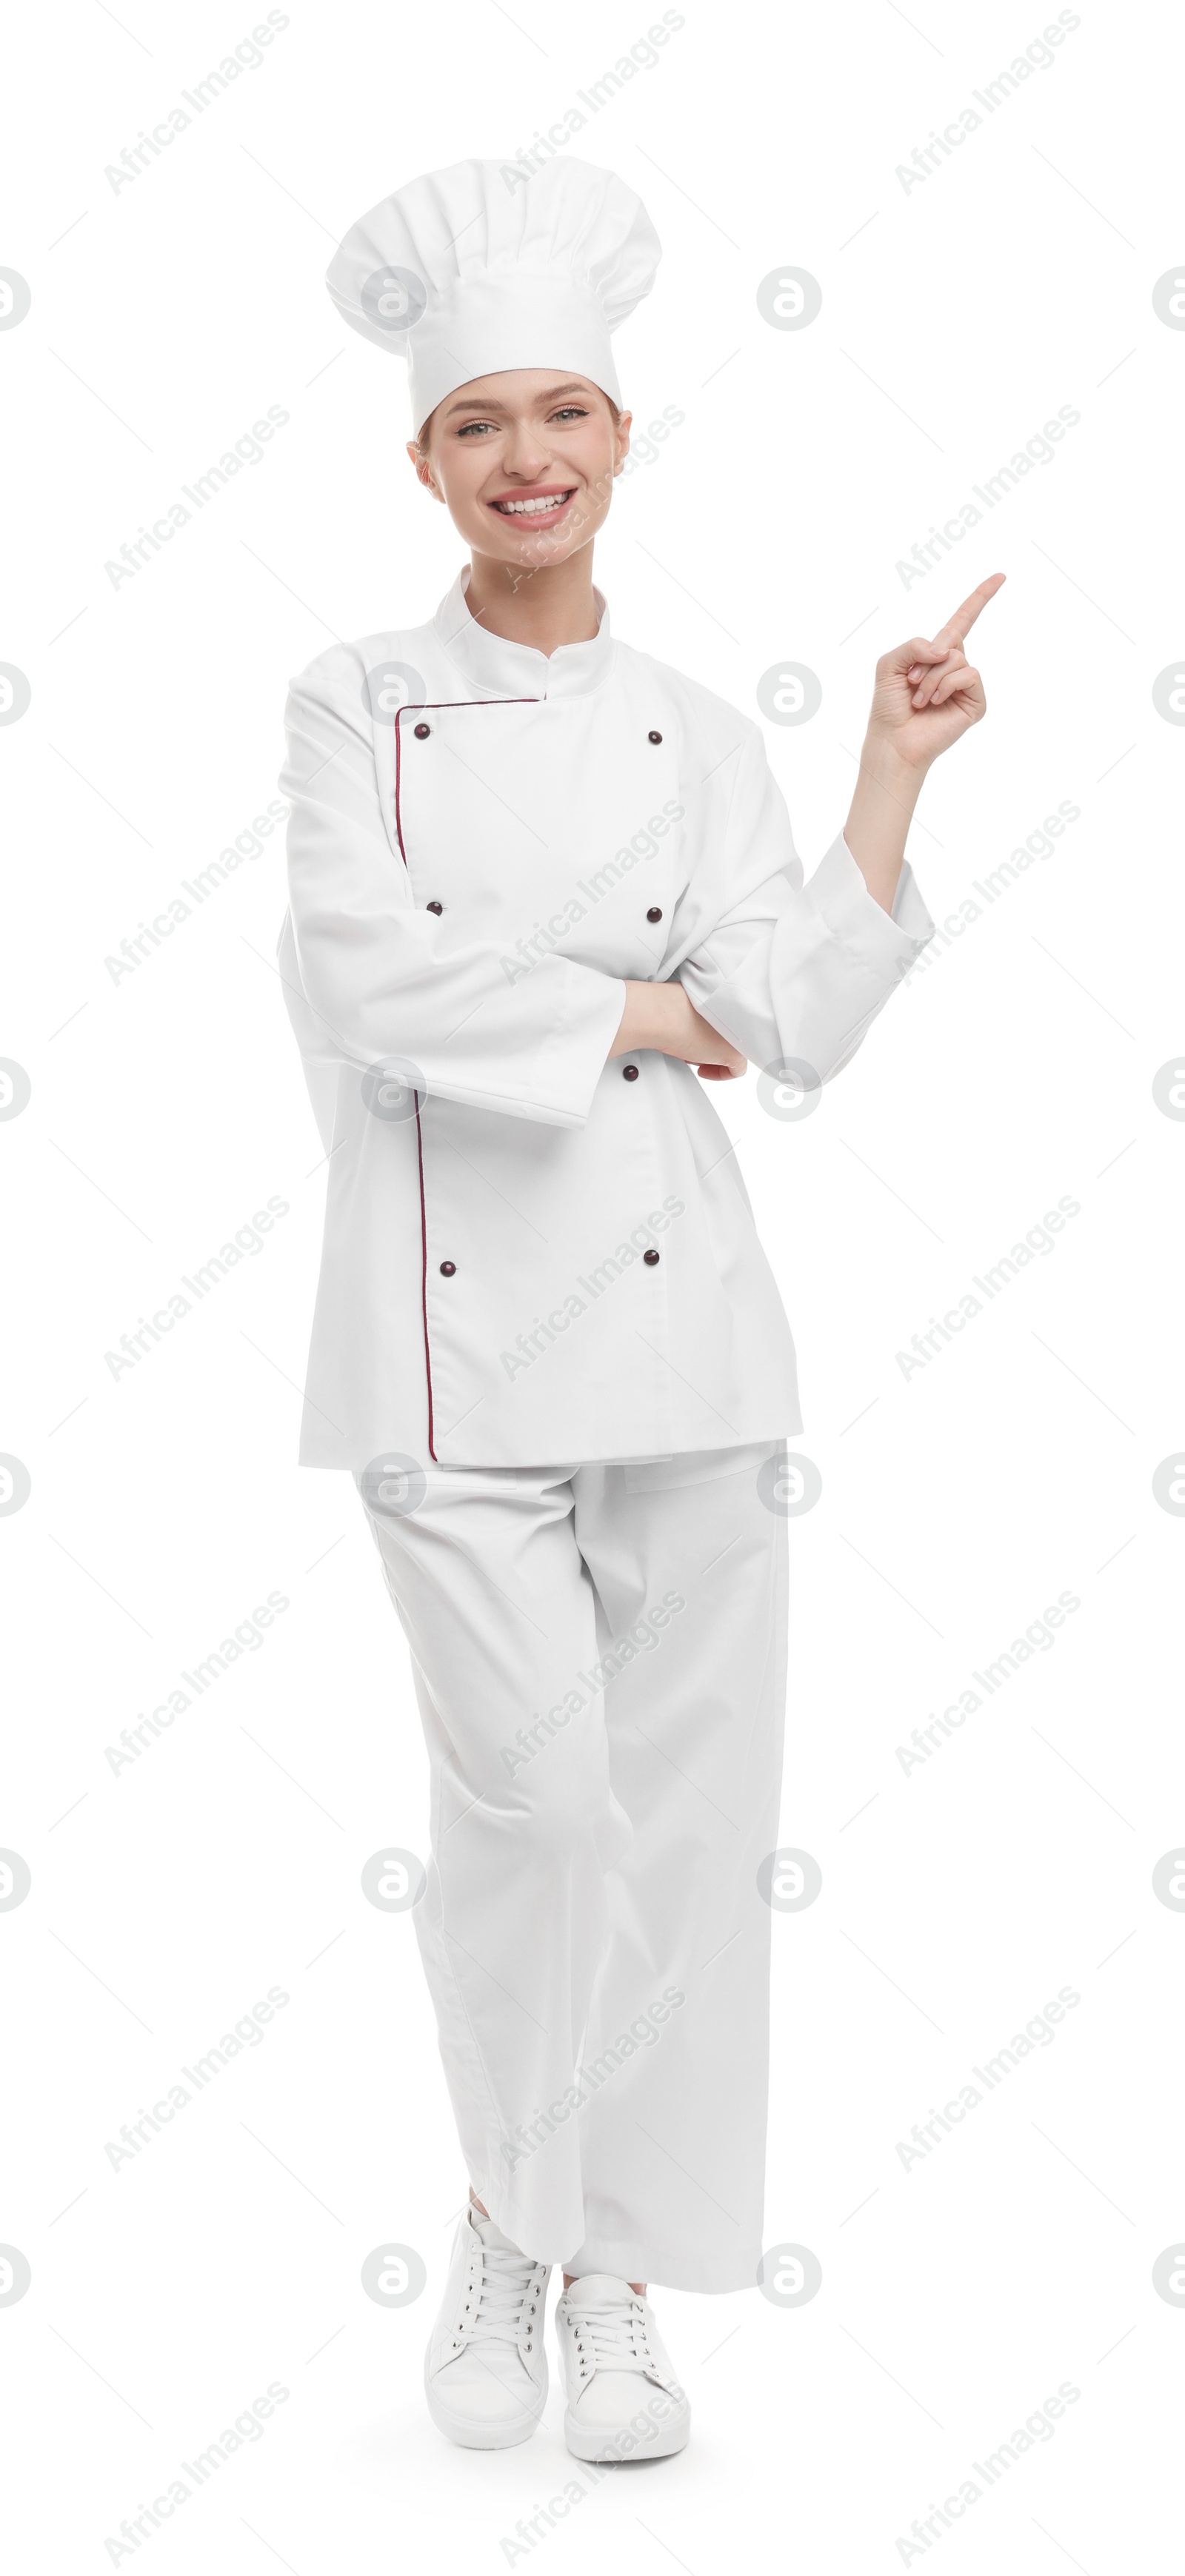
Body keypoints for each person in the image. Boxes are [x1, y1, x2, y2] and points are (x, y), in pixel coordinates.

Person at [278, 153, 1001, 2463]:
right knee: (536, 1802)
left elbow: (784, 1008)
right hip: (440, 1343)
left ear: (620, 439)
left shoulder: (703, 725)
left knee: (681, 1826)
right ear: (423, 458)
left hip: (688, 1352)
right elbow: (369, 974)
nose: (527, 458)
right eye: (480, 421)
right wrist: (636, 1007)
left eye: (564, 413)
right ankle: (508, 2201)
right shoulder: (353, 704)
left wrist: (889, 780)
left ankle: (603, 2275)